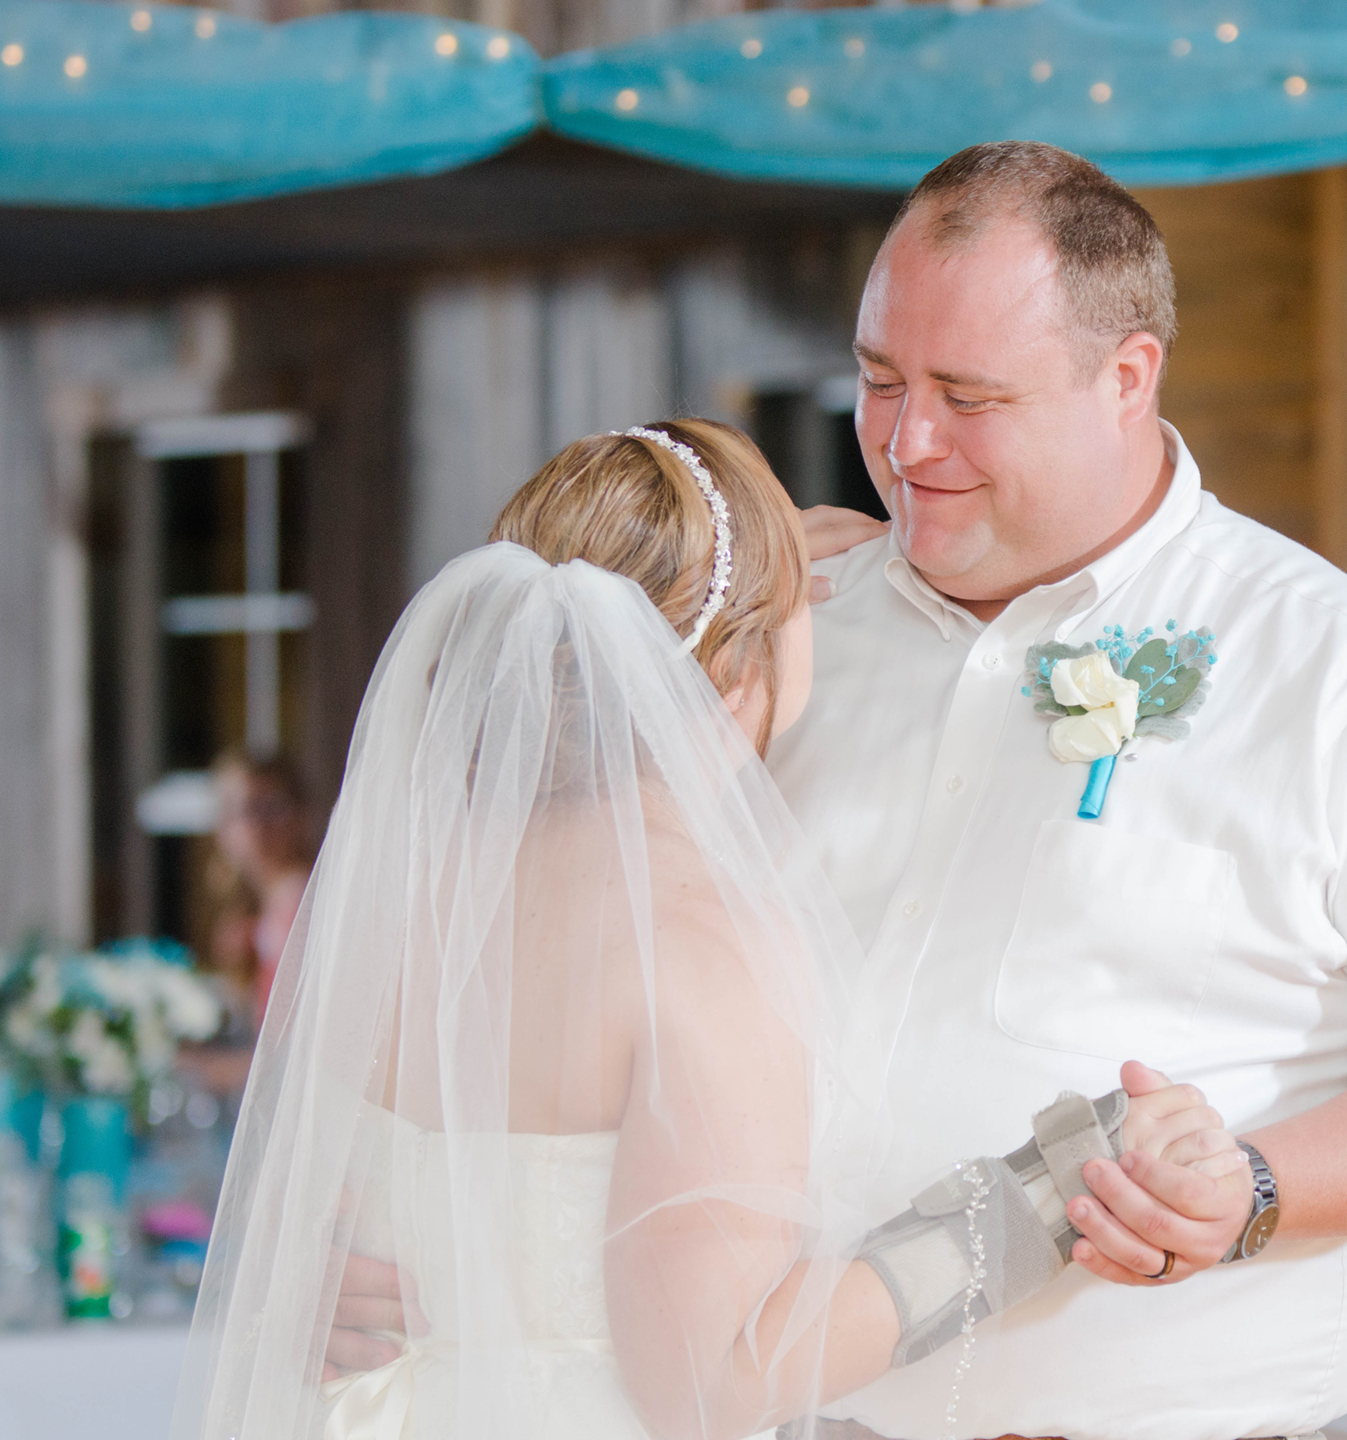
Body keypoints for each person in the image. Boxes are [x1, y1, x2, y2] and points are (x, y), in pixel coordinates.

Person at [761, 141, 1347, 1438]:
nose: (907, 440)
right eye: (881, 380)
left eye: (970, 397)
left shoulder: (1345, 679)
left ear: (1126, 378)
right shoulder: (790, 637)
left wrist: (1253, 1189)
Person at [176, 420, 1240, 1439]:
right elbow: (713, 1378)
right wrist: (1043, 1198)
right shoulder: (696, 945)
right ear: (735, 674)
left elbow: (311, 1219)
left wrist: (735, 574)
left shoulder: (387, 898)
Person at [209, 750, 314, 1029]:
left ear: (301, 816)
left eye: (271, 807)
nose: (258, 825)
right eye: (243, 809)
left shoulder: (302, 902)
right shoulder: (255, 909)